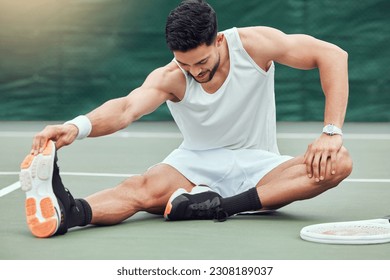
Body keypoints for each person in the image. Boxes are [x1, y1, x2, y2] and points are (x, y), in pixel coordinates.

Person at [20, 0, 352, 238]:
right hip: (193, 166)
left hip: (261, 168)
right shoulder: (172, 75)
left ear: (219, 39)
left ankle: (220, 206)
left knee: (339, 163)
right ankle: (69, 212)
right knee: (140, 188)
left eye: (202, 62)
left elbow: (332, 55)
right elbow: (126, 108)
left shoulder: (254, 45)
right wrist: (75, 127)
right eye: (186, 64)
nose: (195, 72)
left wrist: (331, 132)